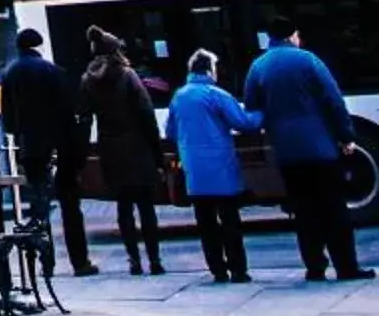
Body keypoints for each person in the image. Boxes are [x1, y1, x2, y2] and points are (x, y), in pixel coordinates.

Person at [243, 21, 372, 284]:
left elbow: (252, 106)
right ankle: (346, 267)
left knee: (303, 211)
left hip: (287, 152)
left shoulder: (258, 66)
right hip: (320, 149)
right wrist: (345, 136)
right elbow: (332, 99)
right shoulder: (308, 60)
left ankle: (315, 268)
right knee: (334, 209)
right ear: (293, 36)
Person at [0, 27, 95, 276]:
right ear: (38, 46)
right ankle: (80, 261)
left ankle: (47, 264)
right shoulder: (53, 71)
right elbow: (68, 110)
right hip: (59, 145)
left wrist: (21, 133)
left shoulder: (9, 75)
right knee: (70, 205)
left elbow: (7, 119)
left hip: (31, 148)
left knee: (39, 206)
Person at [165, 47, 262, 282]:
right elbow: (243, 122)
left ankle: (218, 270)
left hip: (195, 173)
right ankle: (238, 270)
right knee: (230, 222)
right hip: (222, 170)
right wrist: (262, 113)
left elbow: (171, 132)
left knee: (206, 225)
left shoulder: (179, 97)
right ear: (210, 70)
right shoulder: (216, 94)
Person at [78, 24, 166, 274]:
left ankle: (134, 261)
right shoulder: (128, 76)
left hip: (110, 149)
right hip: (137, 148)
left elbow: (83, 116)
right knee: (146, 208)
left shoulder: (87, 80)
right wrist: (157, 154)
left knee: (123, 208)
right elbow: (147, 115)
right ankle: (155, 260)